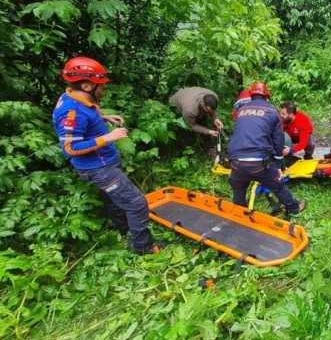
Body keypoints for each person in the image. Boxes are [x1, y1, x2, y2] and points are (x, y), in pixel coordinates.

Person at [52, 56, 167, 255]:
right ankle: (143, 246)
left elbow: (86, 115)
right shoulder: (71, 112)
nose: (103, 90)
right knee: (136, 203)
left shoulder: (75, 97)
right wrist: (107, 138)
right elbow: (70, 148)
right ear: (87, 86)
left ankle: (124, 231)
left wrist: (103, 117)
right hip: (98, 167)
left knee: (113, 199)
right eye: (101, 86)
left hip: (104, 163)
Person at [228, 83, 307, 215]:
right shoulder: (272, 111)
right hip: (258, 163)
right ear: (267, 97)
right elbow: (278, 141)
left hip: (235, 162)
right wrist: (277, 166)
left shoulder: (241, 110)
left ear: (251, 96)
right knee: (278, 185)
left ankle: (240, 214)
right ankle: (294, 208)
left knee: (238, 190)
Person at [170, 87, 224, 157]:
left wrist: (215, 118)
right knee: (188, 133)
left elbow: (212, 109)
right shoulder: (190, 110)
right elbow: (191, 126)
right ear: (202, 104)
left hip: (191, 99)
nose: (210, 112)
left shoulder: (213, 97)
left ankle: (214, 155)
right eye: (208, 111)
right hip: (176, 107)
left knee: (205, 128)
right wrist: (208, 131)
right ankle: (192, 156)